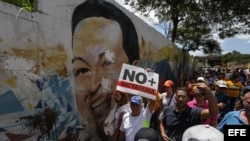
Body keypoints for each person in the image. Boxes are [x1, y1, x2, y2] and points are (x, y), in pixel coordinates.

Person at [71, 0, 139, 140]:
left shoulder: (140, 114)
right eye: (83, 70)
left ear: (134, 70)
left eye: (107, 62)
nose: (93, 85)